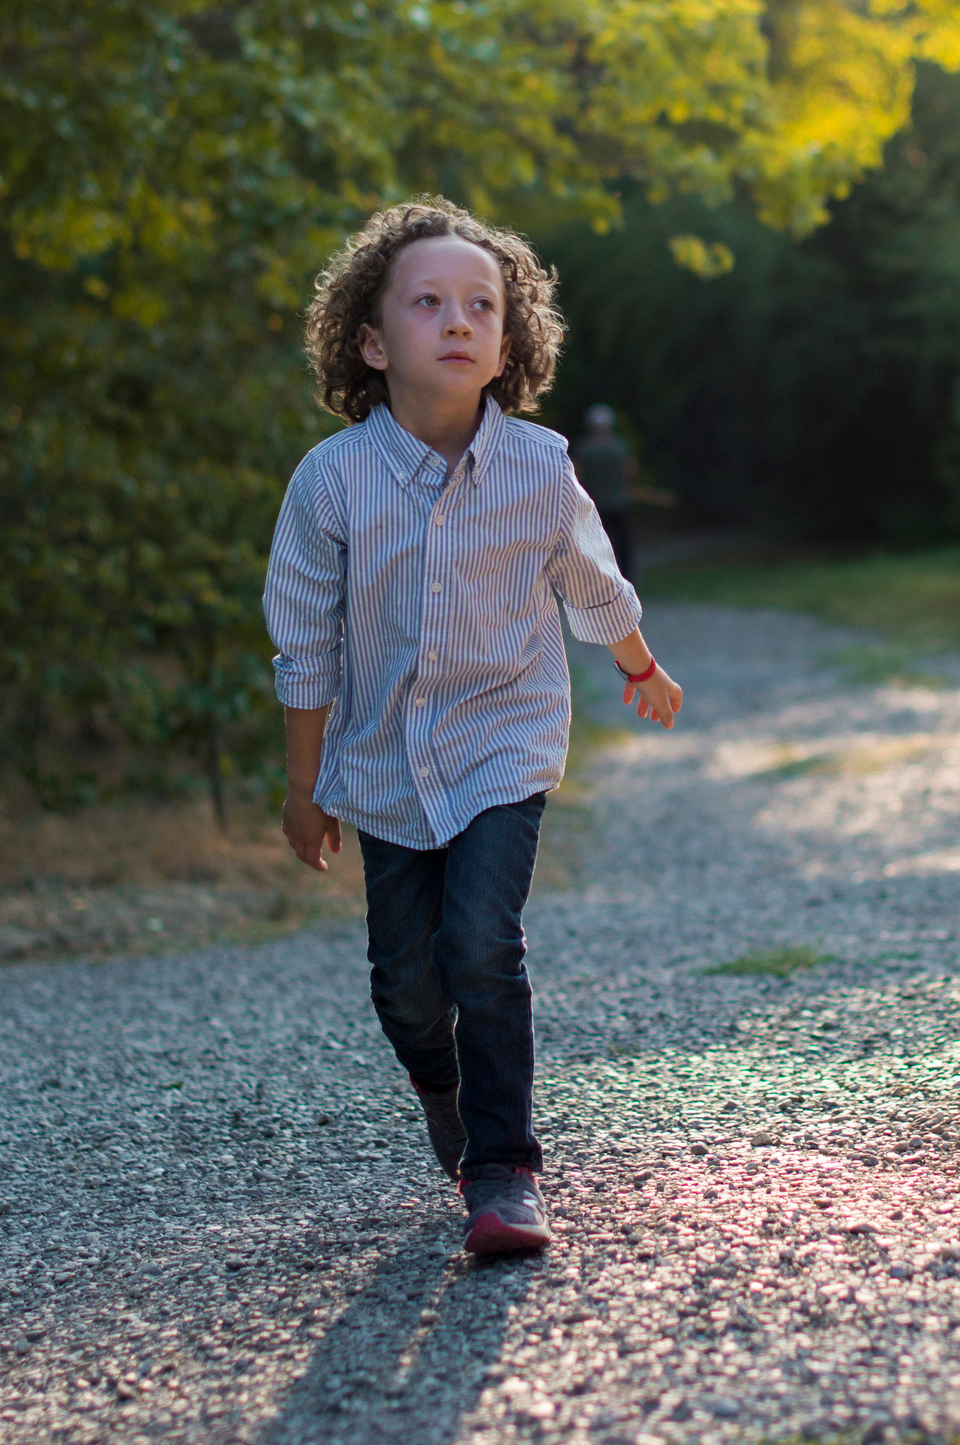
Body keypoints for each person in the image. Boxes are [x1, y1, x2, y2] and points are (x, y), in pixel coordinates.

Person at [262, 196, 683, 1259]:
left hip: (505, 742)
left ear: (508, 343)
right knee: (406, 983)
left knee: (479, 944)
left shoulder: (540, 468)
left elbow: (594, 582)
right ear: (370, 340)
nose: (456, 319)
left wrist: (639, 665)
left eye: (480, 305)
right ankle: (441, 1092)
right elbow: (305, 644)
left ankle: (503, 1169)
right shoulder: (330, 483)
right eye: (427, 302)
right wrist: (302, 784)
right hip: (381, 762)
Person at [570, 403, 637, 583]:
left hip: (595, 507)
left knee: (595, 546)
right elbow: (629, 472)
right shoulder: (619, 447)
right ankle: (628, 580)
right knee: (623, 547)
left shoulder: (584, 449)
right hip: (619, 504)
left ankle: (597, 581)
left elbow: (576, 475)